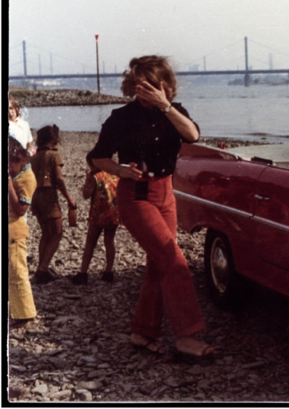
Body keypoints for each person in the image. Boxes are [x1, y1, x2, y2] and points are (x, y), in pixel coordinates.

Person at [88, 55, 215, 359]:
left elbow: (193, 135)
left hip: (166, 194)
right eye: (137, 86)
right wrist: (120, 171)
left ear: (164, 86)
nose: (141, 92)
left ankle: (142, 332)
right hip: (136, 196)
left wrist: (165, 105)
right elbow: (97, 158)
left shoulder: (174, 112)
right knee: (174, 260)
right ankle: (187, 336)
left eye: (149, 86)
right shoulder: (121, 117)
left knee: (159, 264)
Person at [30, 124, 77, 284]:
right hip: (49, 195)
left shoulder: (34, 157)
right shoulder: (54, 156)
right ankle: (43, 269)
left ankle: (41, 268)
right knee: (57, 233)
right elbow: (59, 180)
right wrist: (69, 199)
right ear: (54, 140)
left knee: (45, 233)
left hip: (35, 196)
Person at [71, 152, 120, 285]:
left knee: (90, 243)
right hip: (113, 213)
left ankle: (83, 273)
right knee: (109, 242)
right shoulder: (116, 175)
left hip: (98, 214)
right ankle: (109, 271)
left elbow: (86, 195)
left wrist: (87, 180)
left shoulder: (95, 177)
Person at [9, 136, 38, 330]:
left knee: (18, 272)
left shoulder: (27, 179)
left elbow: (21, 210)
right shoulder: (17, 174)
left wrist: (9, 183)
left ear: (18, 158)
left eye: (11, 165)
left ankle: (24, 314)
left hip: (15, 232)